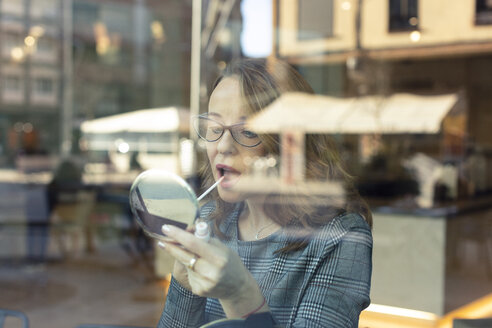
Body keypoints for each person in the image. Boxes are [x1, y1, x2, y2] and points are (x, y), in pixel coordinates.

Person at [157, 57, 373, 327]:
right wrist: (184, 286)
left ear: (289, 142)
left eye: (247, 131)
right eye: (214, 128)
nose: (223, 146)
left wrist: (240, 294)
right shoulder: (209, 219)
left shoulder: (340, 237)